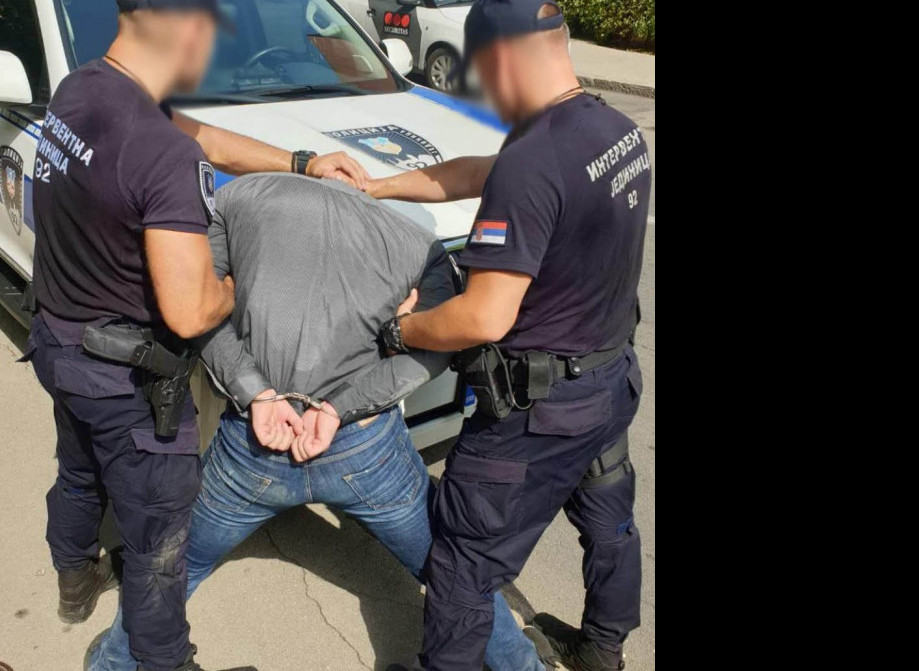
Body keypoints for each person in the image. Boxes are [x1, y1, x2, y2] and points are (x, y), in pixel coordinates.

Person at [24, 1, 370, 669]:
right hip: (127, 382)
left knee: (78, 470)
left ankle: (74, 576)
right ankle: (166, 660)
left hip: (60, 343)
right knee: (158, 544)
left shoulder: (85, 87)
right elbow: (190, 312)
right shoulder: (161, 155)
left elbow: (195, 135)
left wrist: (301, 162)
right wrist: (242, 280)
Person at [86, 173, 548, 671]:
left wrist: (256, 392)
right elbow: (436, 351)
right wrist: (338, 408)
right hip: (366, 448)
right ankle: (523, 666)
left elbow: (195, 311)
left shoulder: (236, 199)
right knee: (453, 570)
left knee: (177, 561)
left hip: (254, 443)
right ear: (361, 182)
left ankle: (114, 663)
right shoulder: (421, 248)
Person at [368, 2, 652, 670]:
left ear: (500, 60)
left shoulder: (534, 159)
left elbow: (482, 318)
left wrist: (398, 330)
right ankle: (603, 649)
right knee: (608, 516)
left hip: (538, 416)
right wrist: (378, 186)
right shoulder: (611, 128)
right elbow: (486, 172)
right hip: (609, 379)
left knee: (463, 561)